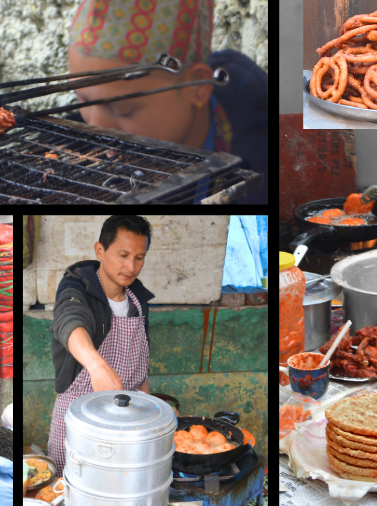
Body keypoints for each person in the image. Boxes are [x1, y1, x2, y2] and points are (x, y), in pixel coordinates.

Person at [67, 0, 268, 204]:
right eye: (82, 100)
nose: (95, 131)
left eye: (123, 110)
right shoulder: (71, 151)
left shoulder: (261, 174)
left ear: (197, 86)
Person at [48, 215, 154, 476]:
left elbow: (141, 370)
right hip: (77, 418)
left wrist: (151, 415)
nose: (131, 266)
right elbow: (70, 322)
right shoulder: (76, 286)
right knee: (71, 483)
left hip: (127, 418)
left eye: (139, 258)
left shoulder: (138, 299)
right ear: (100, 250)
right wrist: (97, 366)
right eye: (123, 255)